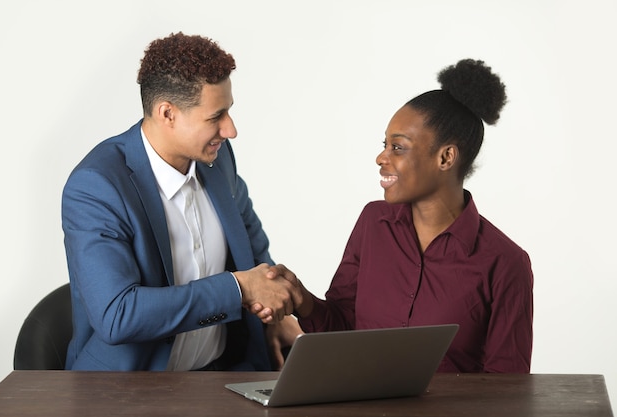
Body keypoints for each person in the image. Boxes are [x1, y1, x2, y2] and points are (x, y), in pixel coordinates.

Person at [262, 59, 534, 373]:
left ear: (446, 157)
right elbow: (343, 330)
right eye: (384, 145)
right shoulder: (373, 222)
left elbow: (508, 387)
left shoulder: (505, 263)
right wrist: (302, 300)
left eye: (397, 147)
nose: (381, 158)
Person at [61, 32, 297, 372]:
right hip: (125, 392)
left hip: (219, 377)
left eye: (228, 112)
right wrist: (238, 289)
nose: (230, 130)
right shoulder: (96, 187)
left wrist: (272, 314)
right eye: (216, 116)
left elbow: (251, 243)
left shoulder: (218, 158)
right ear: (167, 113)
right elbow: (117, 315)